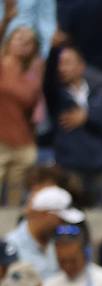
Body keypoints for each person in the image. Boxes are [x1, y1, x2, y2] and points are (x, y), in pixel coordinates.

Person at [42, 38, 102, 203]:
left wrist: (87, 116)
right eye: (59, 63)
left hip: (100, 167)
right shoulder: (56, 98)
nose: (62, 68)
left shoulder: (99, 95)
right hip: (70, 169)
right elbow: (47, 79)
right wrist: (54, 49)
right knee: (71, 221)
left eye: (67, 63)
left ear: (81, 66)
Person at [0, 24, 42, 206]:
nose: (24, 42)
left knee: (15, 201)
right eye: (19, 37)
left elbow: (31, 113)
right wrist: (7, 18)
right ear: (9, 41)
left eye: (29, 40)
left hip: (24, 145)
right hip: (0, 142)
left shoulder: (33, 76)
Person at [6, 185, 84, 279]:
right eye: (61, 219)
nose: (63, 225)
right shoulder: (10, 246)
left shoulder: (58, 244)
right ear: (45, 214)